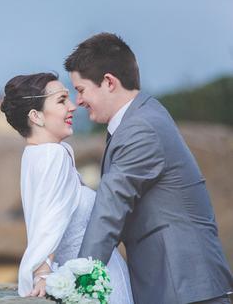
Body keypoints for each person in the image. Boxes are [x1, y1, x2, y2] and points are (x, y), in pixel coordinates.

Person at [64, 32, 233, 304]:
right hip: (176, 288)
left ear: (108, 82)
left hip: (183, 289)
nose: (78, 101)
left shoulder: (140, 129)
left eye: (81, 89)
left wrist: (78, 282)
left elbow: (111, 208)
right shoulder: (141, 118)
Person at [0, 72, 134, 303]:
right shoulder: (53, 155)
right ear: (36, 116)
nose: (73, 106)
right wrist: (43, 274)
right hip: (94, 285)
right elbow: (48, 220)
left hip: (81, 280)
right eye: (62, 100)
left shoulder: (33, 154)